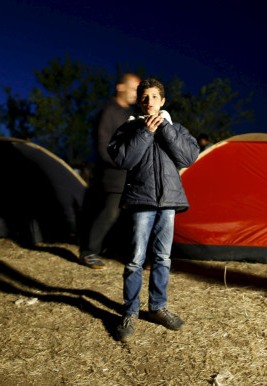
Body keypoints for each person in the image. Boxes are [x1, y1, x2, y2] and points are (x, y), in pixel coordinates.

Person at [108, 78, 200, 342]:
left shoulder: (176, 128)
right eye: (144, 98)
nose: (149, 102)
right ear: (140, 102)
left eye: (154, 97)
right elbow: (123, 159)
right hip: (141, 200)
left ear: (162, 101)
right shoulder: (129, 128)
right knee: (136, 259)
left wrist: (164, 130)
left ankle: (158, 308)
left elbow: (189, 157)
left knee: (162, 258)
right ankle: (130, 312)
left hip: (169, 201)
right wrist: (145, 132)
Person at [78, 73, 140, 269]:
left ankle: (117, 251)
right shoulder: (108, 112)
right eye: (133, 89)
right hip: (113, 175)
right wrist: (123, 162)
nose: (136, 95)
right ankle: (89, 252)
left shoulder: (129, 114)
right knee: (109, 213)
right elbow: (103, 146)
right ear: (121, 87)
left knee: (129, 216)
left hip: (130, 175)